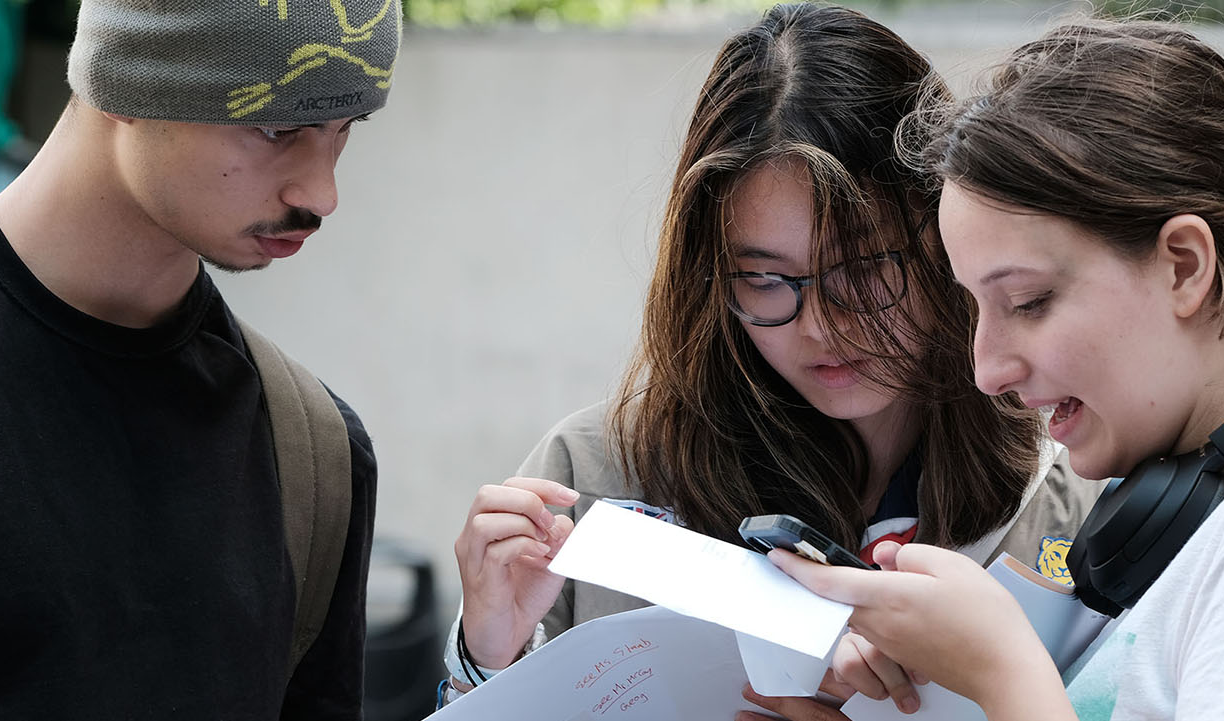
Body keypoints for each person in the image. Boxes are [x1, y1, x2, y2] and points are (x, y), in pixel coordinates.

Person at [773, 18, 1224, 720]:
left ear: (1184, 266)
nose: (986, 369)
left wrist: (1002, 672)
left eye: (1028, 301)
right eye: (975, 308)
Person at [443, 3, 1104, 715]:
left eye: (864, 269)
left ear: (945, 232)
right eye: (765, 278)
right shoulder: (592, 482)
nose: (822, 325)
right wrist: (486, 660)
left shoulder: (1072, 485)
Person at [0, 0, 400, 716]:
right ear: (133, 80)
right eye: (278, 127)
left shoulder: (314, 453)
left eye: (344, 129)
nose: (322, 193)